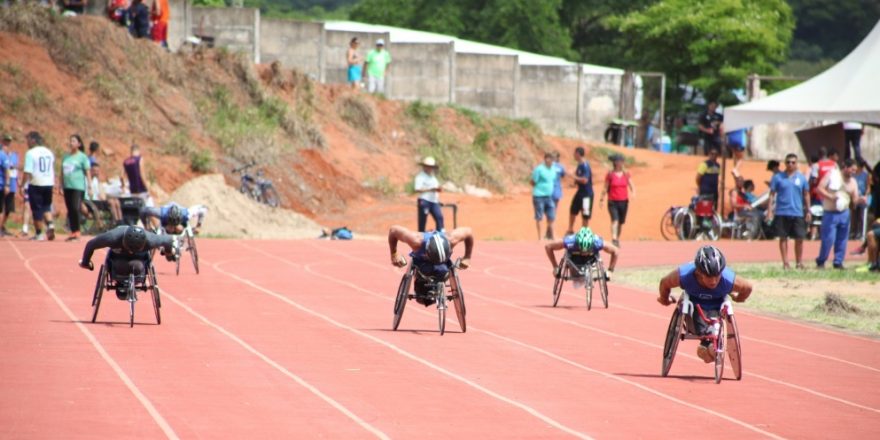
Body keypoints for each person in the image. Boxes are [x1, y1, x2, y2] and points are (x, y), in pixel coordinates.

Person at [657, 245, 753, 363]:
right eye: (708, 277)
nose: (713, 281)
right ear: (699, 272)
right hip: (694, 307)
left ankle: (710, 347)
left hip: (717, 307)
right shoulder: (685, 275)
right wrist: (664, 298)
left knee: (709, 349)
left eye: (716, 276)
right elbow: (664, 283)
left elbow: (748, 288)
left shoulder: (727, 279)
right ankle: (707, 345)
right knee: (703, 333)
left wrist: (739, 299)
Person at [78, 225, 176, 300]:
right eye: (129, 248)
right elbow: (91, 244)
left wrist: (168, 252)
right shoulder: (113, 237)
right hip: (118, 260)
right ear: (123, 240)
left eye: (134, 249)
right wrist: (85, 262)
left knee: (138, 265)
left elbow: (168, 240)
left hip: (138, 261)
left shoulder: (150, 240)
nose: (131, 252)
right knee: (124, 264)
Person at [388, 225, 473, 306]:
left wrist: (467, 257)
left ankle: (437, 284)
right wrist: (394, 254)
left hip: (443, 263)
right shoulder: (416, 240)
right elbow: (393, 230)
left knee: (442, 271)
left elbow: (468, 232)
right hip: (421, 261)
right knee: (422, 296)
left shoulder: (452, 239)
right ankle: (422, 287)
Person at [815, 159, 860, 269]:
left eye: (855, 171)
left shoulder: (853, 182)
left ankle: (838, 261)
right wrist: (830, 197)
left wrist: (857, 201)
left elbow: (855, 197)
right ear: (845, 167)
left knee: (842, 239)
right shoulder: (832, 175)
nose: (853, 172)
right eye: (852, 170)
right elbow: (819, 189)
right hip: (830, 213)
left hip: (844, 213)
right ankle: (821, 260)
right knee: (828, 239)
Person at [768, 153, 811, 269]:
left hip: (797, 212)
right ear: (785, 163)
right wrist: (769, 211)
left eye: (793, 162)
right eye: (788, 162)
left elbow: (806, 194)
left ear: (796, 164)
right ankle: (785, 263)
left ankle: (799, 262)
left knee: (800, 238)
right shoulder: (778, 177)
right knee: (783, 238)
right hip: (782, 211)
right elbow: (772, 195)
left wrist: (808, 211)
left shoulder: (801, 178)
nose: (790, 164)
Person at [545, 227, 619, 285]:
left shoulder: (597, 242)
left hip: (591, 258)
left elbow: (615, 251)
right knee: (577, 279)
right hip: (574, 259)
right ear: (577, 243)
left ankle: (588, 272)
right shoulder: (570, 241)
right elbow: (548, 247)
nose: (584, 252)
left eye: (587, 249)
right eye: (582, 249)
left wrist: (610, 270)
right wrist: (555, 267)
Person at [22, 131, 57, 241]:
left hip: (36, 183)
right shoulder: (48, 152)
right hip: (48, 182)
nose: (27, 142)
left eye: (28, 140)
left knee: (36, 209)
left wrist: (22, 185)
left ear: (33, 140)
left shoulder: (31, 153)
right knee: (46, 206)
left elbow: (27, 171)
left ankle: (39, 233)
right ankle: (50, 224)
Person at [61, 134, 92, 241]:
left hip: (78, 187)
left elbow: (87, 172)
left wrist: (90, 186)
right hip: (67, 186)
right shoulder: (66, 156)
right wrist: (61, 185)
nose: (71, 143)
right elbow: (62, 172)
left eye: (74, 141)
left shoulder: (82, 157)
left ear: (79, 144)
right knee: (70, 209)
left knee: (75, 208)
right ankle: (73, 231)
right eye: (70, 141)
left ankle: (77, 231)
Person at [600, 154, 635, 247]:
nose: (620, 163)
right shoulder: (610, 174)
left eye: (622, 161)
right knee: (614, 220)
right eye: (619, 161)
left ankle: (617, 239)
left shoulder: (626, 174)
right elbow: (605, 187)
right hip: (612, 201)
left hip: (624, 201)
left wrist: (633, 192)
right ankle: (614, 238)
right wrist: (602, 199)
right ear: (615, 162)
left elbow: (631, 185)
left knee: (620, 222)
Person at [413, 156, 444, 232]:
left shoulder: (433, 178)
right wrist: (431, 189)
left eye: (431, 167)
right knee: (423, 220)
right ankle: (421, 237)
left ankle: (440, 236)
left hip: (434, 201)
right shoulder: (420, 177)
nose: (430, 168)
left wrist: (438, 190)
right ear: (424, 167)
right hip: (424, 200)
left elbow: (436, 188)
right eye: (428, 166)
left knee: (439, 217)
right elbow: (417, 189)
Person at [567, 146, 593, 234]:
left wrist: (573, 176)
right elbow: (579, 178)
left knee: (585, 214)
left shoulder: (585, 165)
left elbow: (585, 180)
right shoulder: (579, 165)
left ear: (578, 154)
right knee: (573, 210)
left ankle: (584, 232)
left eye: (575, 153)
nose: (574, 155)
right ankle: (570, 229)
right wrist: (574, 183)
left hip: (586, 194)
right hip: (580, 192)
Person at [531, 152, 557, 240]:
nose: (550, 161)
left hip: (549, 196)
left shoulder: (553, 169)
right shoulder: (539, 169)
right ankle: (540, 237)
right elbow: (533, 181)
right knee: (539, 217)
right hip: (539, 196)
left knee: (551, 216)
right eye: (549, 159)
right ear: (545, 159)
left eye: (552, 160)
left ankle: (553, 236)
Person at [140, 202, 208, 235]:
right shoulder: (162, 213)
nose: (173, 227)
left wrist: (198, 226)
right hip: (166, 218)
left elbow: (203, 209)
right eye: (171, 225)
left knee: (179, 229)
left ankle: (177, 228)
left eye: (174, 225)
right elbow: (143, 210)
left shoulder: (187, 214)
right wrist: (146, 226)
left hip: (180, 218)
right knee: (167, 230)